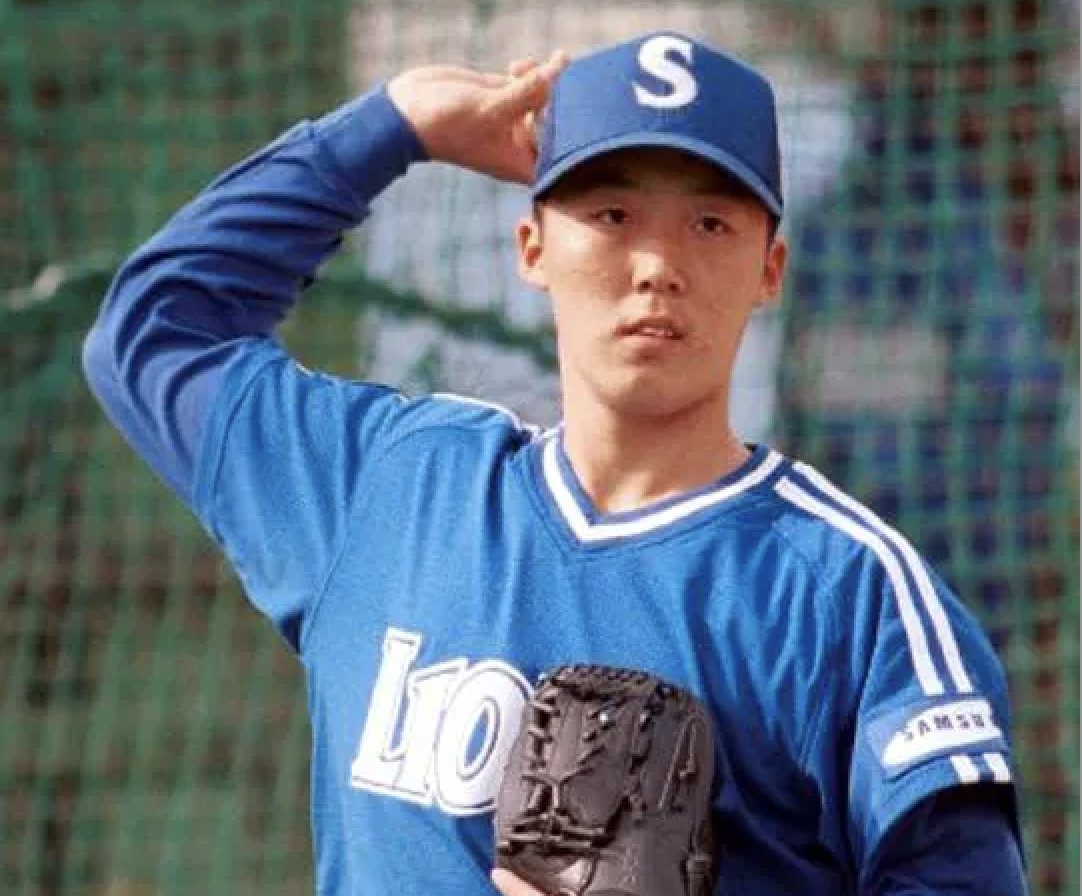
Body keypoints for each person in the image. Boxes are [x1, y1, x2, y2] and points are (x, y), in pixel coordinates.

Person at [82, 31, 1029, 896]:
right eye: (612, 214)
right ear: (532, 248)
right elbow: (152, 336)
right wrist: (394, 124)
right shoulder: (391, 488)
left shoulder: (849, 596)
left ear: (769, 270)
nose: (656, 266)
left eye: (710, 224)